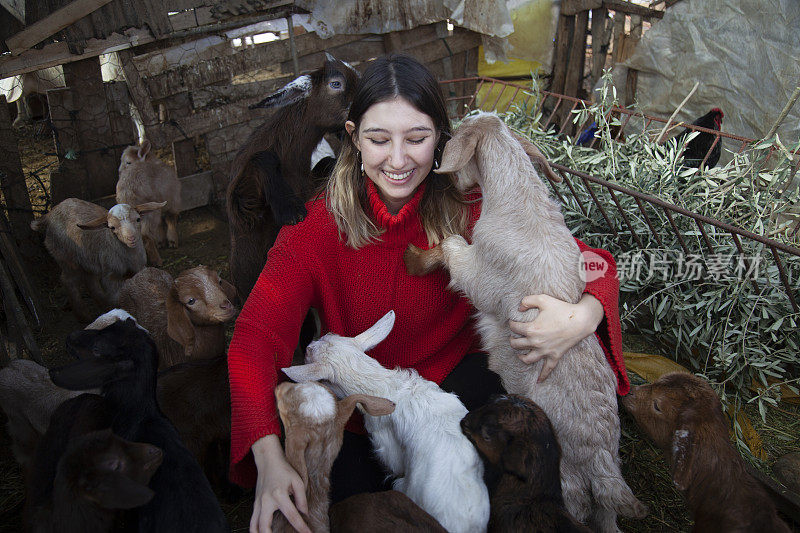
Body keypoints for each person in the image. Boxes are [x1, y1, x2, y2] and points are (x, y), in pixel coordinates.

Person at [227, 54, 629, 533]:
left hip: (462, 389)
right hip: (366, 405)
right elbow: (254, 336)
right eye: (378, 140)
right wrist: (269, 457)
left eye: (417, 139)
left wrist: (583, 315)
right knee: (352, 512)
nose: (398, 161)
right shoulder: (314, 229)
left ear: (442, 136)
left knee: (516, 481)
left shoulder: (471, 207)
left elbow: (589, 260)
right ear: (353, 137)